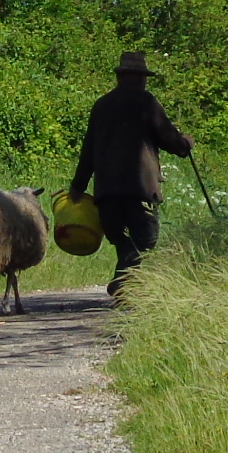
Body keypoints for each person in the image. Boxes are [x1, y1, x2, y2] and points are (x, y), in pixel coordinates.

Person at [68, 51, 192, 297]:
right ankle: (122, 279)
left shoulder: (101, 106)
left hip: (107, 191)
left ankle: (128, 289)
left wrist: (78, 186)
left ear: (121, 77)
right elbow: (170, 139)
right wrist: (185, 144)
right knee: (145, 241)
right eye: (144, 77)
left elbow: (88, 150)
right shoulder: (147, 103)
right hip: (140, 190)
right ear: (138, 78)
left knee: (121, 239)